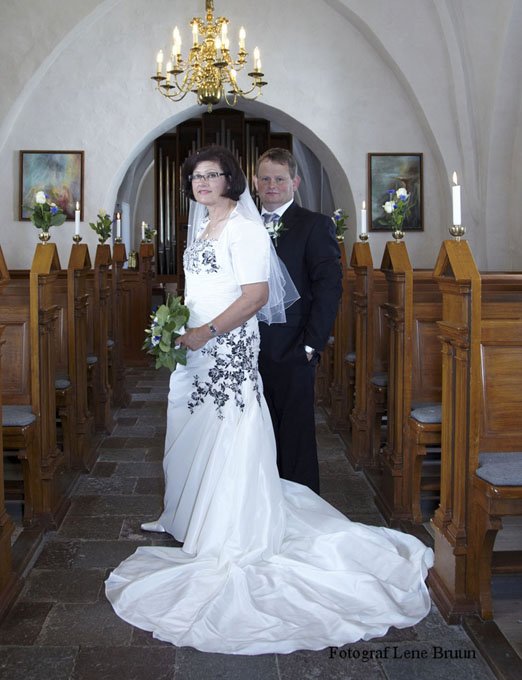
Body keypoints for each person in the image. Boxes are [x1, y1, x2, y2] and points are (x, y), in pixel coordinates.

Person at [105, 145, 433, 655]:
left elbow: (263, 295)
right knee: (192, 424)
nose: (203, 182)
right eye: (196, 176)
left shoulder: (247, 226)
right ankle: (188, 512)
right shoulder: (201, 224)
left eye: (212, 175)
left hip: (233, 342)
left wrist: (215, 332)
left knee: (246, 431)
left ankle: (233, 523)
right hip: (199, 346)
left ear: (232, 181)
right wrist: (179, 325)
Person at [254, 148, 342, 494]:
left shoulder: (314, 225)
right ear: (255, 182)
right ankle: (260, 503)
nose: (272, 185)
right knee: (254, 432)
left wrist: (310, 346)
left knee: (295, 436)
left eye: (279, 179)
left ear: (295, 182)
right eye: (265, 179)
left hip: (293, 348)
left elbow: (328, 288)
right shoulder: (243, 224)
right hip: (247, 345)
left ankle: (300, 506)